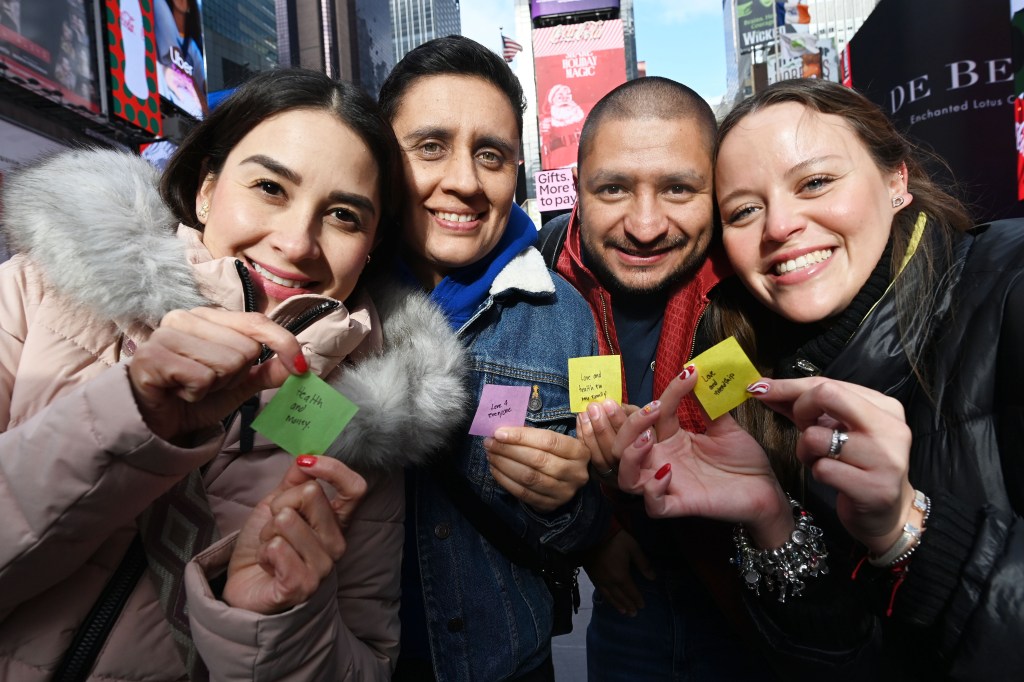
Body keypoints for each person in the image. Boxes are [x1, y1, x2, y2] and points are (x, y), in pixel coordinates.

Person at [0, 68, 468, 681]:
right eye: (270, 188)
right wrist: (128, 414)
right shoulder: (35, 292)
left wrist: (278, 621)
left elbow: (365, 663)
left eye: (345, 216)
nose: (298, 242)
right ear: (205, 188)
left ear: (372, 247)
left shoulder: (370, 416)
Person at [614, 78, 1024, 680]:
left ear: (896, 180)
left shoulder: (1010, 289)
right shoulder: (756, 368)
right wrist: (769, 518)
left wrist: (909, 528)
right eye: (744, 210)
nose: (779, 226)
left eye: (815, 183)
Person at [377, 35, 607, 681]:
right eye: (429, 147)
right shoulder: (332, 298)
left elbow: (595, 520)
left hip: (510, 664)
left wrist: (571, 500)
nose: (464, 182)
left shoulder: (568, 316)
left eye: (491, 155)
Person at [536, 76, 772, 680]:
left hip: (755, 608)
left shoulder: (763, 280)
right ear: (578, 192)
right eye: (613, 188)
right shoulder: (539, 280)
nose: (645, 226)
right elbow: (500, 432)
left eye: (677, 188)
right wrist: (594, 530)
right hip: (628, 604)